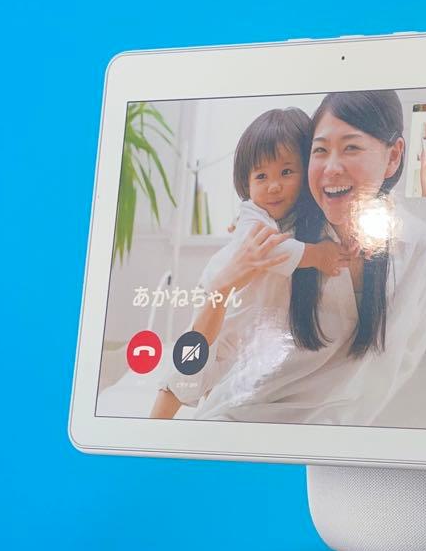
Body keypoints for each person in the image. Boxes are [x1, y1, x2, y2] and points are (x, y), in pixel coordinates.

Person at [194, 89, 426, 425]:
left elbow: (397, 362)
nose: (331, 168)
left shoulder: (415, 244)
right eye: (320, 150)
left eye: (351, 148)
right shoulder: (281, 240)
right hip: (249, 419)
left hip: (350, 434)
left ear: (393, 156)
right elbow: (220, 344)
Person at [150, 107, 352, 418]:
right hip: (229, 309)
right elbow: (268, 252)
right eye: (261, 176)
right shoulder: (252, 214)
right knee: (189, 367)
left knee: (217, 376)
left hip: (251, 326)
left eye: (287, 172)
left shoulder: (306, 218)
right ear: (246, 182)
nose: (273, 186)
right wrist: (316, 255)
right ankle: (154, 425)